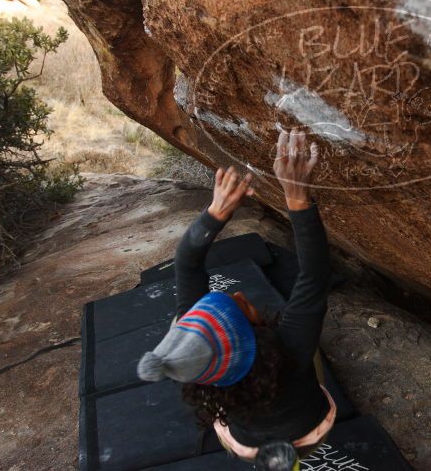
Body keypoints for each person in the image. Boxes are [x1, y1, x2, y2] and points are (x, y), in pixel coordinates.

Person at [137, 129, 335, 465]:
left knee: (180, 322)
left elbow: (185, 266)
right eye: (239, 304)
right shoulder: (292, 349)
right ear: (251, 332)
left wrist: (215, 213)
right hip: (310, 431)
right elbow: (314, 273)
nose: (240, 293)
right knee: (309, 344)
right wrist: (297, 195)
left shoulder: (200, 366)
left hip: (245, 446)